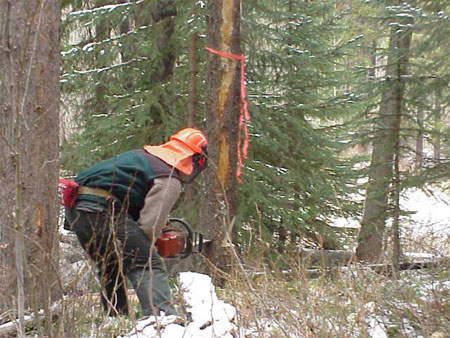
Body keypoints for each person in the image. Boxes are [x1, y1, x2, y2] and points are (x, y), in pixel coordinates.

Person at [65, 127, 208, 317]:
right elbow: (150, 225)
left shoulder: (143, 158)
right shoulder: (168, 176)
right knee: (147, 263)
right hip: (102, 209)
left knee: (110, 264)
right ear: (196, 159)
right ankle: (164, 320)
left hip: (76, 210)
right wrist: (149, 244)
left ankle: (116, 317)